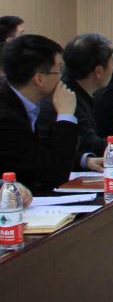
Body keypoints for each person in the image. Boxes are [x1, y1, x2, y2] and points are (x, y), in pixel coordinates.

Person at [36, 34, 113, 171]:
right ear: (99, 71)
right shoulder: (67, 98)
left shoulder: (76, 91)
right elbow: (96, 147)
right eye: (112, 63)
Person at [0, 35, 79, 192]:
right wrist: (66, 116)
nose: (62, 78)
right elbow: (55, 173)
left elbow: (43, 153)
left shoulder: (21, 101)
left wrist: (84, 159)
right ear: (40, 79)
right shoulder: (6, 118)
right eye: (59, 71)